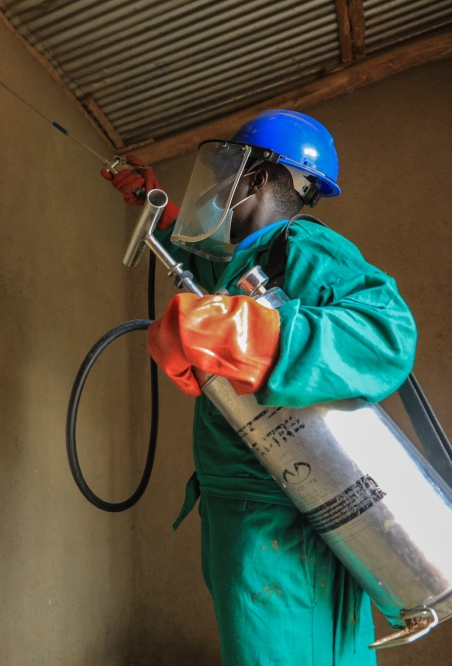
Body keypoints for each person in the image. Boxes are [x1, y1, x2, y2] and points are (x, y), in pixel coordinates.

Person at [101, 110, 417, 665]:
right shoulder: (244, 257)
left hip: (284, 518)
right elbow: (204, 258)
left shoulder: (302, 244)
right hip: (252, 510)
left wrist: (245, 333)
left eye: (229, 172)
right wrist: (159, 204)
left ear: (255, 178)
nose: (219, 186)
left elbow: (387, 334)